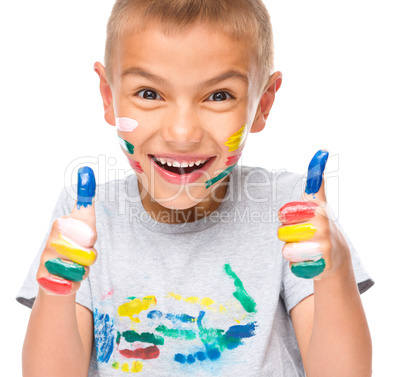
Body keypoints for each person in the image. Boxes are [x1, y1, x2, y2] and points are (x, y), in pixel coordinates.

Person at [17, 0, 374, 376]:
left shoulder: (289, 210)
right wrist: (59, 291)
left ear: (263, 104)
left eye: (219, 96)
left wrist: (334, 271)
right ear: (108, 96)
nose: (182, 133)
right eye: (149, 94)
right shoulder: (85, 217)